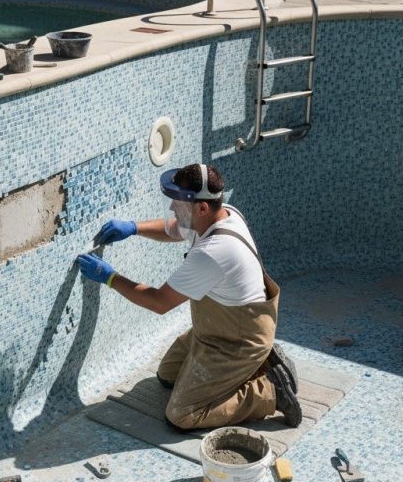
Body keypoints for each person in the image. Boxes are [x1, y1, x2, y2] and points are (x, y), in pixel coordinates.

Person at [76, 162, 300, 431]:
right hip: (216, 328)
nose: (172, 208)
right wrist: (134, 227)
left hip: (238, 342)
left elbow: (159, 302)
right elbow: (174, 228)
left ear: (201, 207)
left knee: (182, 414)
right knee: (167, 376)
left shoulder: (213, 252)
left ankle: (270, 390)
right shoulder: (221, 214)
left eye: (178, 203)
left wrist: (110, 277)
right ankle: (255, 366)